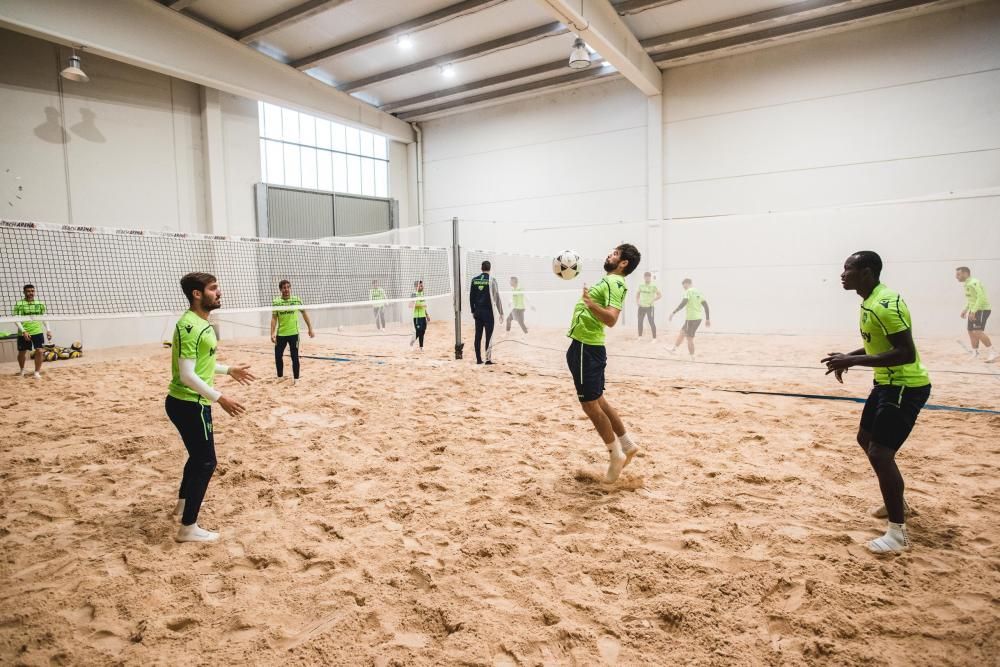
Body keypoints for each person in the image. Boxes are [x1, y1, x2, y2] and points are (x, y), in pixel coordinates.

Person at [822, 251, 931, 554]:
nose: (842, 274)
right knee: (866, 438)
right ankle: (898, 502)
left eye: (848, 268)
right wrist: (850, 357)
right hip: (886, 383)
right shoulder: (871, 300)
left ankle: (898, 534)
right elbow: (879, 344)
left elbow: (905, 352)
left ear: (867, 272)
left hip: (904, 386)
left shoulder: (885, 304)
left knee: (881, 453)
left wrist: (853, 360)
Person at [167, 272, 255, 543]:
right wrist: (220, 398)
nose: (219, 293)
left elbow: (198, 367)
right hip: (190, 404)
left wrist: (228, 369)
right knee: (206, 461)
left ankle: (182, 505)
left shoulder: (197, 323)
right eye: (213, 289)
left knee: (197, 456)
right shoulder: (191, 326)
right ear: (197, 294)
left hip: (184, 402)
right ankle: (188, 528)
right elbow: (187, 375)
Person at [566, 244, 642, 483]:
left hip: (586, 348)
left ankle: (615, 455)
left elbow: (611, 318)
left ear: (623, 263)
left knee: (589, 406)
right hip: (588, 348)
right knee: (599, 400)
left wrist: (590, 304)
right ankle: (627, 445)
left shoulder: (615, 283)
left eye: (615, 254)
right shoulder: (611, 281)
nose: (609, 255)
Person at [270, 280, 315, 385]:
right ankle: (280, 377)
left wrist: (310, 328)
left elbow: (304, 314)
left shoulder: (296, 300)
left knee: (294, 356)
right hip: (281, 334)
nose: (286, 290)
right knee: (278, 356)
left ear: (290, 288)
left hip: (294, 334)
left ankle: (296, 379)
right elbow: (274, 319)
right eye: (284, 288)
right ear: (280, 289)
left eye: (288, 287)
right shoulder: (276, 302)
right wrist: (272, 333)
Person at [955, 266, 994, 361]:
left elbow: (981, 298)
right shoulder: (967, 284)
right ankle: (975, 353)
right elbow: (971, 299)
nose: (956, 276)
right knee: (970, 331)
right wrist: (965, 309)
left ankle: (992, 352)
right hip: (974, 310)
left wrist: (974, 311)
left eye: (958, 274)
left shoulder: (974, 282)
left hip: (982, 309)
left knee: (977, 331)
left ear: (965, 273)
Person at [13, 284, 51, 379]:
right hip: (24, 332)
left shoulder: (39, 304)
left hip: (37, 331)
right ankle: (22, 370)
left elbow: (44, 317)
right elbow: (16, 319)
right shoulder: (19, 304)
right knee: (22, 352)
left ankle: (37, 372)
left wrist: (48, 330)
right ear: (24, 292)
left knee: (39, 351)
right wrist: (23, 331)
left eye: (32, 291)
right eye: (28, 291)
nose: (31, 293)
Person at [470, 261, 503, 365]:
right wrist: (501, 312)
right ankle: (488, 360)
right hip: (489, 312)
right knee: (488, 336)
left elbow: (471, 297)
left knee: (478, 336)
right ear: (490, 268)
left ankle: (478, 359)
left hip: (478, 312)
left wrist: (473, 310)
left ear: (481, 268)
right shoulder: (492, 280)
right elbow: (497, 298)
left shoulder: (474, 280)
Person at [668, 278, 710, 358]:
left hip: (691, 318)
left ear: (688, 284)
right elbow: (705, 305)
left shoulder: (688, 291)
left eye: (684, 285)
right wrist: (707, 319)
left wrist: (673, 313)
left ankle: (692, 356)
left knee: (689, 338)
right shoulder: (699, 292)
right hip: (697, 318)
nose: (684, 287)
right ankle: (673, 349)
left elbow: (683, 303)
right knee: (682, 332)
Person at [636, 272, 661, 341]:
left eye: (648, 277)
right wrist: (637, 302)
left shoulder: (653, 286)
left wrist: (653, 299)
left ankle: (654, 338)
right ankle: (640, 337)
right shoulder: (641, 285)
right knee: (640, 321)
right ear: (644, 277)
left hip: (650, 307)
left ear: (650, 278)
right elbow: (637, 294)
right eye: (646, 277)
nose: (647, 278)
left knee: (651, 322)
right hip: (641, 307)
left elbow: (660, 295)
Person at [410, 280, 429, 351]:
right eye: (420, 286)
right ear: (416, 287)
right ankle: (411, 342)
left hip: (423, 316)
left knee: (423, 332)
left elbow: (424, 306)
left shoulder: (422, 294)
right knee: (419, 331)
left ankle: (421, 347)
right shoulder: (414, 294)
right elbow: (410, 305)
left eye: (422, 285)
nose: (422, 286)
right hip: (417, 317)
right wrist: (420, 305)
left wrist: (427, 315)